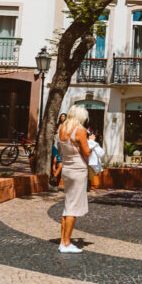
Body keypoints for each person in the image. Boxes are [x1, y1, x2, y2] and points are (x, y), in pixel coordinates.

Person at [56, 105, 91, 253]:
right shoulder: (80, 130)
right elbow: (87, 152)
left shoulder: (61, 129)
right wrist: (93, 143)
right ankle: (66, 243)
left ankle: (63, 241)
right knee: (73, 208)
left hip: (67, 169)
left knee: (68, 205)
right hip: (78, 169)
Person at [85, 127, 103, 191]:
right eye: (94, 134)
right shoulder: (90, 142)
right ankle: (87, 187)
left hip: (90, 161)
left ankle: (88, 187)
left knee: (89, 175)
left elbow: (100, 153)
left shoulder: (91, 142)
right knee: (88, 175)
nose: (95, 136)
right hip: (89, 161)